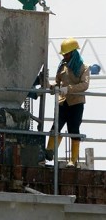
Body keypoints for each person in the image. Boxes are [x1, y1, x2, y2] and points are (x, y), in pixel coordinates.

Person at [45, 37, 90, 168]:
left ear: (73, 53)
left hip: (76, 103)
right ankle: (49, 151)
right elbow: (58, 83)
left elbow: (84, 85)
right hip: (63, 102)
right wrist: (51, 86)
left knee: (74, 129)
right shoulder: (62, 67)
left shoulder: (83, 68)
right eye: (63, 54)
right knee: (56, 127)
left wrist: (68, 89)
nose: (64, 56)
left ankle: (73, 160)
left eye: (66, 53)